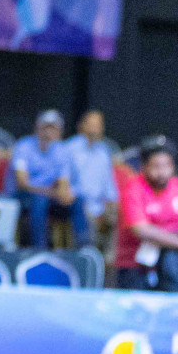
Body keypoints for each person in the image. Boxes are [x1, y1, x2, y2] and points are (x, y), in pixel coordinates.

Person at [116, 137, 178, 291]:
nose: (162, 172)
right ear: (143, 166)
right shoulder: (133, 188)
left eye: (167, 165)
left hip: (171, 264)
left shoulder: (176, 185)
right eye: (156, 166)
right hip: (137, 267)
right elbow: (141, 229)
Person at [11, 111, 89, 248]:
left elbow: (63, 183)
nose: (48, 132)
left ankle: (84, 249)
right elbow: (22, 183)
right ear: (37, 128)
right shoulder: (24, 146)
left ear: (60, 132)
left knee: (77, 200)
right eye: (45, 127)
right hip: (23, 197)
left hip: (50, 197)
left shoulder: (62, 150)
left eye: (53, 128)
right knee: (40, 200)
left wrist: (65, 194)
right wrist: (51, 193)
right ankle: (39, 249)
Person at [64, 109, 120, 254]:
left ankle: (110, 263)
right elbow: (64, 182)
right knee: (87, 215)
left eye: (99, 125)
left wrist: (113, 202)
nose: (96, 129)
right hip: (79, 203)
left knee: (119, 213)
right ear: (81, 126)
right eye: (92, 124)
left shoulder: (104, 151)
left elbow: (109, 184)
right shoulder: (70, 148)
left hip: (101, 203)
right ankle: (87, 258)